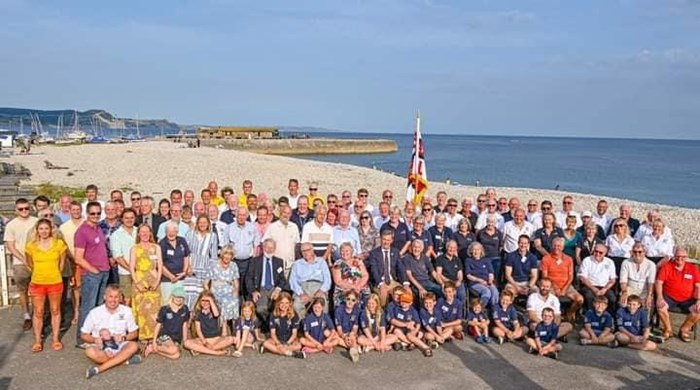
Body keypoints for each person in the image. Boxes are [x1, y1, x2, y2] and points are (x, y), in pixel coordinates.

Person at [81, 285, 141, 380]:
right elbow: (84, 334)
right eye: (110, 296)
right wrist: (95, 339)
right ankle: (123, 361)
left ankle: (98, 369)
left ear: (121, 298)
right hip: (101, 346)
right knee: (90, 351)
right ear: (105, 297)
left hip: (120, 344)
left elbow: (134, 333)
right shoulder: (94, 312)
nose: (113, 300)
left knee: (134, 346)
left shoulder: (127, 311)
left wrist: (123, 338)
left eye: (116, 297)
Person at [25, 218, 67, 352]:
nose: (44, 231)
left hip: (55, 281)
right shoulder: (31, 246)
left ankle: (55, 339)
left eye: (46, 228)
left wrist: (54, 274)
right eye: (41, 228)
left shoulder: (59, 244)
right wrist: (39, 273)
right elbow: (30, 263)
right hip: (37, 282)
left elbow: (61, 264)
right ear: (37, 230)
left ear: (51, 229)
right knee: (38, 312)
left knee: (55, 310)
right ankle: (38, 340)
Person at [74, 201, 111, 347]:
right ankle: (82, 339)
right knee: (88, 307)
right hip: (91, 274)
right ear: (87, 214)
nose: (95, 216)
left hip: (103, 272)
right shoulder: (82, 231)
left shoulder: (98, 229)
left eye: (98, 213)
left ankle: (95, 337)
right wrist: (93, 270)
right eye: (92, 213)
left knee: (98, 308)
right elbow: (78, 257)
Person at [4, 198, 38, 330]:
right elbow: (11, 246)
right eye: (21, 209)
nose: (24, 211)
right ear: (16, 210)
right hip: (20, 262)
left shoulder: (35, 222)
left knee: (37, 290)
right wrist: (24, 259)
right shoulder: (11, 225)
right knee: (22, 290)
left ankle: (38, 314)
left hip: (37, 261)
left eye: (26, 208)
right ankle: (26, 315)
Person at [655, 247, 700, 342]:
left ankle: (684, 330)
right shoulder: (667, 266)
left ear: (686, 257)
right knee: (660, 306)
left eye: (683, 257)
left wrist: (698, 300)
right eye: (677, 256)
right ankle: (668, 330)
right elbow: (659, 282)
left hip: (688, 299)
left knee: (698, 310)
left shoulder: (693, 268)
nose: (680, 259)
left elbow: (698, 286)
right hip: (669, 297)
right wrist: (659, 297)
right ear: (674, 256)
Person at [129, 224, 162, 346]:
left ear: (150, 233)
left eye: (147, 232)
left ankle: (154, 335)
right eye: (142, 232)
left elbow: (160, 266)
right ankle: (142, 335)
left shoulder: (156, 247)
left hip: (153, 280)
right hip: (139, 280)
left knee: (154, 309)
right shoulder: (134, 248)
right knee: (141, 309)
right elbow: (132, 268)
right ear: (138, 234)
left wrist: (157, 281)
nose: (144, 234)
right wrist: (137, 283)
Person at [540, 238, 583, 323]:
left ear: (563, 248)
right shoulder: (546, 258)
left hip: (566, 285)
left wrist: (564, 289)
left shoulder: (569, 259)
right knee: (550, 300)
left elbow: (571, 277)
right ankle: (553, 319)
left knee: (580, 299)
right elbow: (545, 277)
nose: (556, 248)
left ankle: (569, 313)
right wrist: (555, 288)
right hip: (551, 286)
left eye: (559, 246)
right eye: (555, 245)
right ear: (552, 246)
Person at [246, 238, 290, 322]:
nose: (269, 250)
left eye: (272, 248)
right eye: (267, 247)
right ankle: (268, 324)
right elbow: (248, 278)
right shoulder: (254, 261)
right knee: (261, 309)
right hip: (260, 289)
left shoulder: (279, 261)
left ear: (275, 249)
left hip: (274, 289)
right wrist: (253, 291)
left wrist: (278, 289)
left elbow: (282, 279)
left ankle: (274, 326)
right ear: (263, 247)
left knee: (279, 307)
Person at [184, 291, 236, 357]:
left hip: (217, 339)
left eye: (207, 301)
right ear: (199, 301)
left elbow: (216, 314)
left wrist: (210, 299)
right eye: (203, 300)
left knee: (231, 339)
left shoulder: (215, 310)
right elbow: (198, 330)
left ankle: (202, 350)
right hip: (203, 340)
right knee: (186, 343)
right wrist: (204, 342)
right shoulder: (198, 313)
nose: (205, 303)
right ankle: (216, 352)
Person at [145, 285, 190, 359]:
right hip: (165, 335)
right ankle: (153, 345)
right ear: (172, 297)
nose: (179, 299)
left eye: (181, 297)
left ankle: (154, 350)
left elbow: (184, 324)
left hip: (176, 337)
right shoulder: (165, 309)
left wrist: (184, 340)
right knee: (174, 350)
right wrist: (153, 341)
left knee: (176, 355)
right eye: (177, 296)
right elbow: (158, 325)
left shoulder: (185, 309)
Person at [184, 215, 219, 308]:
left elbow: (214, 256)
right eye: (200, 222)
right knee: (189, 293)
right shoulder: (190, 233)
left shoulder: (212, 236)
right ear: (197, 223)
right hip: (191, 266)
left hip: (204, 268)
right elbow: (185, 252)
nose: (202, 224)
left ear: (208, 224)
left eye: (204, 222)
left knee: (200, 295)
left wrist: (209, 273)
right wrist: (187, 266)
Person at [289, 242, 332, 318]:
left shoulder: (321, 262)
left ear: (312, 250)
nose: (305, 253)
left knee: (322, 302)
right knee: (297, 305)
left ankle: (322, 324)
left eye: (308, 250)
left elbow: (327, 279)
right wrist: (301, 293)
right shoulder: (297, 264)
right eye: (303, 251)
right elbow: (292, 281)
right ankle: (305, 324)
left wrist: (322, 290)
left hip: (318, 287)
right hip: (303, 288)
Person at [387, 290, 432, 357]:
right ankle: (411, 343)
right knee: (396, 331)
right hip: (400, 327)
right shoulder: (397, 309)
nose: (404, 303)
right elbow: (393, 321)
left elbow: (418, 323)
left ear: (410, 303)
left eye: (406, 302)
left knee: (410, 335)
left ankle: (426, 348)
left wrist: (415, 330)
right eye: (402, 301)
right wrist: (393, 327)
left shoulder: (413, 311)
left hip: (410, 329)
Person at [261, 292, 306, 358]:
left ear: (290, 304)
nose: (284, 305)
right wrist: (278, 343)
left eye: (286, 303)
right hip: (277, 339)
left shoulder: (294, 315)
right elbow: (273, 333)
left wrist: (287, 344)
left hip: (289, 340)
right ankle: (292, 354)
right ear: (278, 303)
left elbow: (294, 334)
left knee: (298, 346)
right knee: (266, 343)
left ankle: (272, 350)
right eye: (281, 303)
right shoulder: (273, 315)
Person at [204, 244, 241, 324]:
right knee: (224, 302)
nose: (227, 256)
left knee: (235, 301)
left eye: (230, 254)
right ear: (222, 254)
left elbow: (236, 283)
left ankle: (236, 328)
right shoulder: (213, 265)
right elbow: (205, 283)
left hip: (229, 291)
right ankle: (223, 327)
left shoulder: (234, 265)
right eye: (226, 253)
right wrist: (210, 295)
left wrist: (235, 293)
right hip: (216, 292)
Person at [578, 243, 617, 315]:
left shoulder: (610, 262)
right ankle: (589, 315)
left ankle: (608, 316)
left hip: (604, 287)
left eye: (600, 252)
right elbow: (582, 277)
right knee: (589, 296)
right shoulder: (587, 260)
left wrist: (605, 289)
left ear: (605, 253)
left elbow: (613, 279)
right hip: (590, 286)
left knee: (612, 298)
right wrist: (594, 289)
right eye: (596, 251)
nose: (597, 254)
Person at [109, 208, 137, 305]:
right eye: (126, 218)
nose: (129, 220)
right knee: (127, 299)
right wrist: (131, 269)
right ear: (122, 219)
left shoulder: (139, 232)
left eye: (132, 218)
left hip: (140, 271)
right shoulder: (116, 235)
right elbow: (118, 257)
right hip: (125, 272)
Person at [367, 230, 403, 306]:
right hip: (379, 282)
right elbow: (374, 271)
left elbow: (401, 268)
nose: (386, 242)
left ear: (392, 240)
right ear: (380, 239)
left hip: (392, 281)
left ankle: (399, 314)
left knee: (404, 293)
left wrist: (406, 283)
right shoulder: (374, 253)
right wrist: (381, 284)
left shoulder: (396, 252)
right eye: (384, 239)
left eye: (388, 240)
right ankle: (382, 314)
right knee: (383, 294)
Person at [262, 205, 300, 274]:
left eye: (288, 213)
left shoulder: (294, 227)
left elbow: (297, 246)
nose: (286, 215)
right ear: (280, 213)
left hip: (290, 265)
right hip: (276, 265)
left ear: (291, 215)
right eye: (284, 212)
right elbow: (264, 244)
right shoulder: (272, 227)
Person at [331, 242, 370, 308]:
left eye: (347, 251)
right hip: (344, 289)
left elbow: (365, 275)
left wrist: (359, 286)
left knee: (367, 296)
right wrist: (353, 287)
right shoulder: (337, 264)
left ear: (352, 252)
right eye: (342, 251)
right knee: (348, 297)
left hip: (360, 287)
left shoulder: (358, 260)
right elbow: (338, 281)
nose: (344, 253)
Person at [619, 243, 656, 309]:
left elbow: (651, 282)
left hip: (644, 289)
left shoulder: (651, 265)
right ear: (632, 252)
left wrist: (649, 295)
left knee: (648, 305)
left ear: (644, 252)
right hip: (630, 288)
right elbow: (623, 280)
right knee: (623, 303)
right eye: (635, 252)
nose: (637, 254)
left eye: (640, 252)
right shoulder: (626, 262)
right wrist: (624, 292)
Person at [464, 242, 499, 310]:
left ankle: (494, 310)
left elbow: (491, 272)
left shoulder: (486, 260)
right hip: (474, 283)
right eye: (474, 249)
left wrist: (490, 281)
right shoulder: (468, 260)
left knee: (495, 292)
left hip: (487, 282)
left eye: (478, 249)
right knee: (487, 292)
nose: (476, 251)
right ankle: (480, 310)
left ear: (481, 251)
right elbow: (468, 275)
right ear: (471, 251)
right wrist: (480, 280)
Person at [334, 290, 362, 362]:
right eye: (348, 299)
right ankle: (354, 348)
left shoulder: (357, 310)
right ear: (345, 299)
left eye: (353, 300)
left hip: (352, 333)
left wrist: (351, 335)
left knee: (353, 337)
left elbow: (355, 328)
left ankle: (352, 348)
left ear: (356, 302)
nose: (350, 302)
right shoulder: (339, 310)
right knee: (335, 337)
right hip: (342, 333)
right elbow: (339, 328)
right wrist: (344, 337)